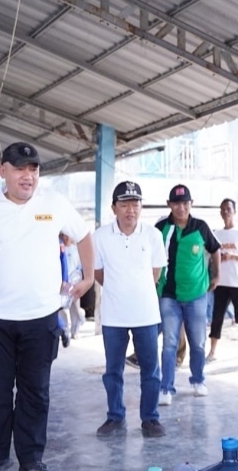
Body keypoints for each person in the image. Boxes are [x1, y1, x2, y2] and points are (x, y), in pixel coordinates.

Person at [0, 142, 93, 471]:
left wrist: (89, 277)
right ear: (2, 171)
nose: (27, 176)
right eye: (19, 168)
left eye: (33, 169)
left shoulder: (54, 203)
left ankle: (32, 459)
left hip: (42, 318)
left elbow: (83, 235)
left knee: (36, 392)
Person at [93, 181, 168, 438]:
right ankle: (115, 417)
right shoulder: (101, 236)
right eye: (124, 204)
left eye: (135, 204)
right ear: (114, 207)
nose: (130, 210)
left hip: (146, 314)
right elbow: (99, 273)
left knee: (151, 370)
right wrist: (119, 290)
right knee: (113, 370)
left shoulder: (153, 235)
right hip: (113, 315)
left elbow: (155, 273)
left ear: (141, 207)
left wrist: (136, 291)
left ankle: (150, 418)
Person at [155, 184, 220, 404]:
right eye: (176, 203)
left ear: (191, 204)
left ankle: (198, 380)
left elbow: (215, 248)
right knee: (169, 343)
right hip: (169, 295)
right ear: (169, 204)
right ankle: (166, 388)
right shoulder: (161, 228)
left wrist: (217, 275)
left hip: (196, 295)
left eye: (185, 203)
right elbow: (150, 255)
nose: (181, 207)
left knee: (198, 342)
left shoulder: (200, 227)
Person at [207, 198, 238, 361]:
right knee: (217, 317)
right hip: (221, 281)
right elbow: (210, 256)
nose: (226, 212)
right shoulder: (216, 234)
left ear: (234, 211)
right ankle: (212, 352)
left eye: (228, 209)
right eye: (223, 209)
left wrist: (233, 256)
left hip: (237, 282)